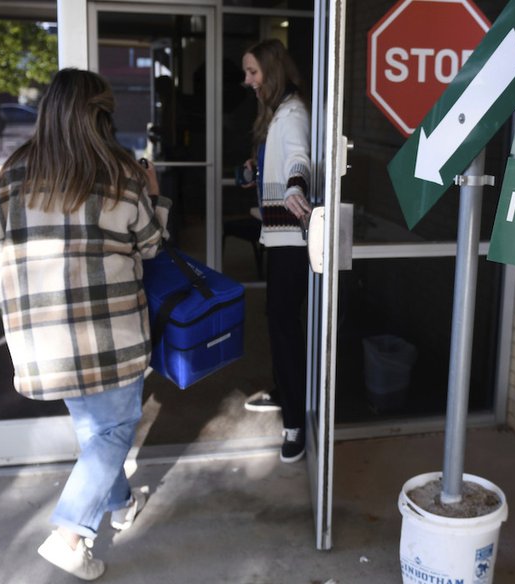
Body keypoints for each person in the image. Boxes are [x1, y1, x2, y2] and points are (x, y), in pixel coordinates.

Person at [0, 68, 170, 581]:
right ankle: (69, 535)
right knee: (113, 433)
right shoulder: (123, 176)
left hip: (45, 345)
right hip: (114, 339)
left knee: (99, 435)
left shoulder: (4, 181)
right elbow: (151, 247)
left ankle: (123, 505)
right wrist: (157, 195)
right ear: (101, 117)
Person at [239, 39, 312, 463]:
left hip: (291, 243)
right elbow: (280, 162)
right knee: (277, 324)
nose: (247, 81)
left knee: (285, 329)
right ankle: (286, 393)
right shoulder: (277, 115)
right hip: (276, 237)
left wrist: (294, 186)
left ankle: (296, 425)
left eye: (252, 72)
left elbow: (300, 160)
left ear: (271, 70)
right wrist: (254, 170)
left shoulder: (294, 113)